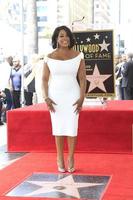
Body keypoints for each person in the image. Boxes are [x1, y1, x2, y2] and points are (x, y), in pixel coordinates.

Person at [42, 25, 86, 173]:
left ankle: (71, 157)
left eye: (66, 35)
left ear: (70, 38)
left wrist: (81, 98)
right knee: (58, 128)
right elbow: (44, 80)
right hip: (55, 97)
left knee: (72, 127)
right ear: (56, 38)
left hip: (73, 95)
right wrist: (46, 98)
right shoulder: (49, 57)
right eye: (61, 35)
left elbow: (82, 79)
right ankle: (60, 157)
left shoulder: (79, 55)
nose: (64, 38)